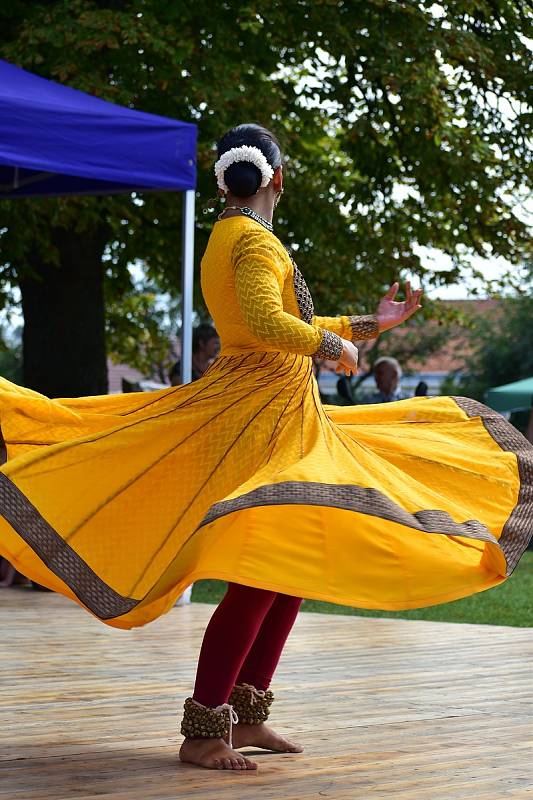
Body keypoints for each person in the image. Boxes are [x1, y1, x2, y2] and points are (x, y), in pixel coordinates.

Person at [1, 124, 531, 774]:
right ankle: (203, 728)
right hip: (259, 424)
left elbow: (280, 323)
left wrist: (368, 325)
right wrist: (333, 347)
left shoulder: (238, 237)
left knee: (288, 574)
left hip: (284, 418)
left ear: (226, 179)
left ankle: (247, 717)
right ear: (276, 178)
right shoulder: (249, 239)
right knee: (259, 576)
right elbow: (262, 324)